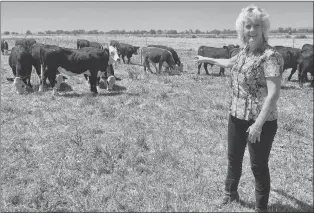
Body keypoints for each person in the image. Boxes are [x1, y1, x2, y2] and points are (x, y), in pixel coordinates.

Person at [194, 5, 284, 213]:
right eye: (248, 26)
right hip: (236, 115)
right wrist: (206, 59)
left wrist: (258, 125)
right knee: (233, 158)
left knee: (258, 165)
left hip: (261, 121)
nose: (251, 30)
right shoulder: (245, 51)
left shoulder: (270, 56)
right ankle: (230, 193)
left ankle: (261, 207)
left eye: (256, 26)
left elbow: (273, 94)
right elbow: (229, 62)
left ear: (264, 29)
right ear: (242, 29)